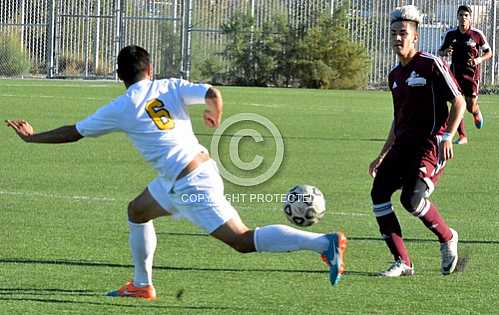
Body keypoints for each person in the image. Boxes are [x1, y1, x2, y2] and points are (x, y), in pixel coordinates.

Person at [5, 45, 347, 299]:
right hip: (182, 175)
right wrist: (215, 113)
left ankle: (323, 242)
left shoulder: (122, 106)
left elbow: (73, 132)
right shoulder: (168, 86)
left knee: (243, 240)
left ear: (119, 76)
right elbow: (213, 92)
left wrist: (32, 138)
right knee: (137, 212)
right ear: (150, 69)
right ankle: (142, 285)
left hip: (191, 183)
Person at [368, 5, 466, 277]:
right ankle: (403, 262)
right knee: (378, 194)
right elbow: (397, 119)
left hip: (429, 146)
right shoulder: (394, 76)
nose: (398, 38)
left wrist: (448, 135)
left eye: (403, 33)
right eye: (394, 33)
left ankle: (447, 238)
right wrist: (382, 154)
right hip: (402, 146)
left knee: (411, 199)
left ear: (415, 37)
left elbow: (458, 100)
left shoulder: (431, 64)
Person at [438, 4, 493, 144]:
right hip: (455, 73)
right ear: (457, 17)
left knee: (470, 106)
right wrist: (446, 52)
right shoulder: (451, 34)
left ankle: (476, 112)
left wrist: (478, 59)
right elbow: (441, 51)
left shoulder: (477, 34)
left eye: (466, 15)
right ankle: (463, 136)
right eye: (461, 15)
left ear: (470, 18)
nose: (463, 18)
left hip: (472, 75)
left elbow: (489, 52)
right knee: (457, 102)